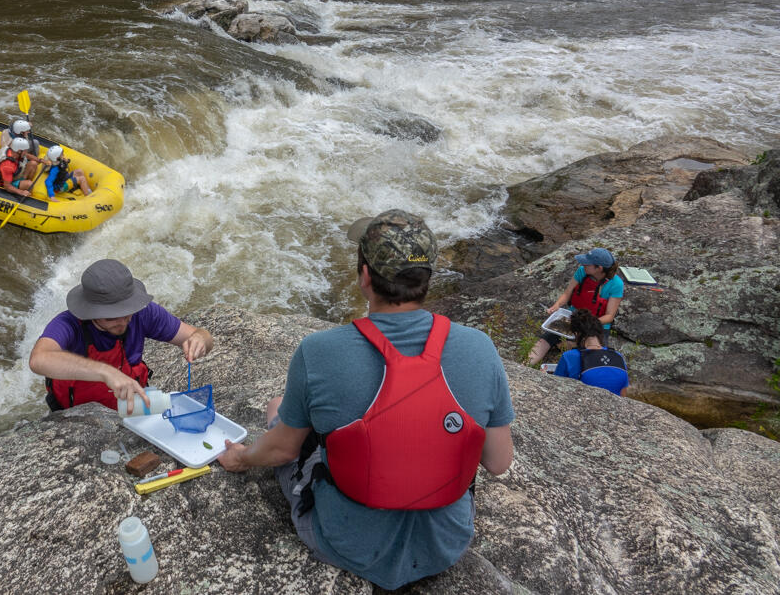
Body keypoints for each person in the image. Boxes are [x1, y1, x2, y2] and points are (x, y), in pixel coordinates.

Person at [218, 210, 514, 591]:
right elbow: (498, 461)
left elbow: (281, 453)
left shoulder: (318, 351)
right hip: (444, 544)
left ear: (365, 276)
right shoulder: (480, 347)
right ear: (426, 279)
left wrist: (239, 457)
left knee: (279, 411)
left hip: (347, 544)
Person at [28, 259, 214, 412]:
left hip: (131, 408)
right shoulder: (67, 324)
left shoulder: (143, 312)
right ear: (90, 311)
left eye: (127, 312)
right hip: (77, 415)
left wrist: (201, 339)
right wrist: (106, 372)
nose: (123, 322)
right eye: (111, 317)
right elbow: (39, 360)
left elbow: (200, 335)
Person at [527, 247, 624, 366]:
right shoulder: (582, 271)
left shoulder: (616, 284)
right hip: (573, 316)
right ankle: (524, 366)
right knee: (546, 339)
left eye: (587, 263)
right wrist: (556, 305)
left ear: (599, 268)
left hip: (596, 323)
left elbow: (609, 316)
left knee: (594, 349)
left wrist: (586, 323)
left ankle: (567, 345)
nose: (583, 264)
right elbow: (567, 293)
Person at [552, 309, 629, 395]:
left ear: (577, 334)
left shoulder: (569, 356)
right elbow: (623, 394)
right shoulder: (618, 356)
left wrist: (544, 376)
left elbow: (555, 387)